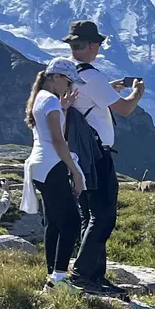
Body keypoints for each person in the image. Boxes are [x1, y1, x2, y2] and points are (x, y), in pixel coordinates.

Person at [62, 20, 144, 293]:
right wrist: (137, 93)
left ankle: (95, 275)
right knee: (103, 216)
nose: (98, 48)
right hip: (97, 154)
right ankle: (83, 275)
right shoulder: (92, 77)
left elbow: (85, 98)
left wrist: (109, 89)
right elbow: (125, 109)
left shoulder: (67, 71)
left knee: (89, 214)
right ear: (92, 45)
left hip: (77, 152)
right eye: (97, 44)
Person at [19, 58, 96, 288]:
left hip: (39, 165)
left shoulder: (41, 98)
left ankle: (52, 276)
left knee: (53, 222)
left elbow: (46, 130)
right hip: (53, 165)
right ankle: (59, 278)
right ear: (56, 77)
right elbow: (58, 140)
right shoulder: (51, 101)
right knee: (71, 222)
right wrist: (76, 172)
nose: (70, 87)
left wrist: (63, 108)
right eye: (68, 81)